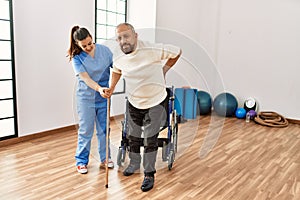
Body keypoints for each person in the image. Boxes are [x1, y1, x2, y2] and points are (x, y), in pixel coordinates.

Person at [106, 23, 181, 192]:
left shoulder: (151, 49)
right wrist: (111, 88)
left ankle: (149, 174)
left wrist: (164, 70)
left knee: (149, 139)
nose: (123, 41)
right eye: (119, 38)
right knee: (132, 136)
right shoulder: (118, 56)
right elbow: (117, 71)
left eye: (126, 36)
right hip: (134, 102)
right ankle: (133, 163)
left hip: (155, 101)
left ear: (135, 35)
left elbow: (177, 51)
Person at [67, 25, 114, 174]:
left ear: (92, 38)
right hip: (86, 98)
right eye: (84, 45)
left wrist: (110, 87)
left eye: (90, 43)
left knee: (104, 129)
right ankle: (81, 161)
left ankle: (105, 158)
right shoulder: (77, 58)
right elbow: (86, 79)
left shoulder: (105, 51)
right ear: (77, 44)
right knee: (86, 130)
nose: (88, 47)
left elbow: (118, 68)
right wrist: (99, 88)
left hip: (104, 97)